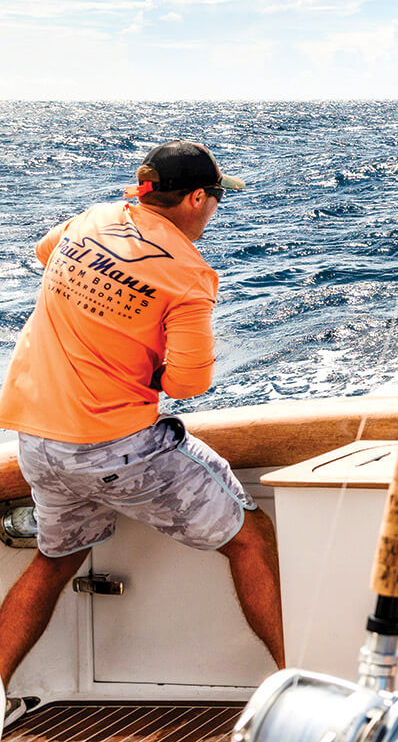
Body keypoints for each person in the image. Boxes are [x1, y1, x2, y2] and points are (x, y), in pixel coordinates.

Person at [0, 141, 285, 730]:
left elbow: (44, 252)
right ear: (198, 198)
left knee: (58, 557)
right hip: (117, 449)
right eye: (216, 199)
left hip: (39, 441)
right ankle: (300, 693)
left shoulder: (94, 217)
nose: (215, 210)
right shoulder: (187, 274)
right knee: (251, 539)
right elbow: (189, 382)